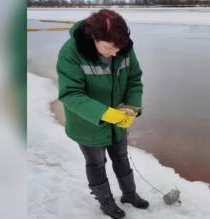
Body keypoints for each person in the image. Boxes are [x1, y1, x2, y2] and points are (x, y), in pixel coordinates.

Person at [56, 9, 149, 219]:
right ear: (94, 37)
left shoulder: (123, 48)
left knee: (122, 158)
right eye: (109, 47)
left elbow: (134, 79)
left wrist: (132, 107)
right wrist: (103, 113)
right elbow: (70, 94)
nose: (115, 53)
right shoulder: (71, 52)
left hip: (117, 122)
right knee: (96, 163)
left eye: (119, 48)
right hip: (88, 125)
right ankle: (106, 202)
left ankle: (130, 194)